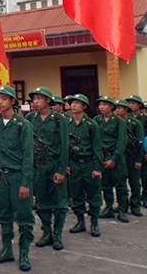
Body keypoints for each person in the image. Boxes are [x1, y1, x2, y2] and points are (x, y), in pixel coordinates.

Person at [0, 85, 35, 272]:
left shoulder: (23, 125)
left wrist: (26, 183)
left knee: (24, 217)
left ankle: (24, 253)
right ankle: (7, 249)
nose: (1, 101)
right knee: (4, 216)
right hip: (1, 177)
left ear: (13, 101)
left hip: (18, 176)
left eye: (5, 98)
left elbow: (28, 157)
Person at [26, 87, 69, 251]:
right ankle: (46, 232)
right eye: (33, 99)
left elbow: (64, 146)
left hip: (54, 164)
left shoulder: (59, 119)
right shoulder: (30, 118)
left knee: (59, 202)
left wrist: (61, 169)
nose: (35, 102)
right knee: (42, 201)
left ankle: (57, 234)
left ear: (48, 100)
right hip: (38, 167)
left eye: (38, 98)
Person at [66, 94, 103, 237]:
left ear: (84, 106)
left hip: (88, 164)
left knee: (93, 194)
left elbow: (97, 147)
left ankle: (94, 223)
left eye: (77, 103)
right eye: (72, 103)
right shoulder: (67, 123)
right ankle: (80, 221)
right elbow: (65, 146)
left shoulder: (91, 125)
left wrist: (97, 168)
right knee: (76, 193)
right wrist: (66, 164)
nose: (73, 105)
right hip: (74, 164)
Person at [94, 96, 129, 223]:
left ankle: (121, 209)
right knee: (106, 185)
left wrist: (114, 159)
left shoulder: (119, 121)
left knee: (120, 185)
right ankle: (108, 208)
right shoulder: (97, 120)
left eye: (104, 104)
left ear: (111, 107)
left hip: (117, 158)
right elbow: (95, 140)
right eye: (100, 104)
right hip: (103, 157)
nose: (101, 107)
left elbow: (122, 141)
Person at [115, 99, 144, 218]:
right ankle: (122, 204)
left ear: (126, 109)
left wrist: (139, 160)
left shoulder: (135, 123)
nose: (117, 111)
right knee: (120, 182)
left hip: (132, 156)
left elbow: (141, 142)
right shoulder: (115, 122)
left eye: (120, 108)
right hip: (121, 157)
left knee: (134, 183)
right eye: (116, 108)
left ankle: (135, 204)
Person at [126, 95, 147, 209]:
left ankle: (146, 198)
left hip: (145, 150)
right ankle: (133, 200)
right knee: (133, 179)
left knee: (146, 177)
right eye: (130, 103)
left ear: (139, 105)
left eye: (134, 103)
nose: (131, 105)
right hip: (132, 152)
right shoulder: (127, 118)